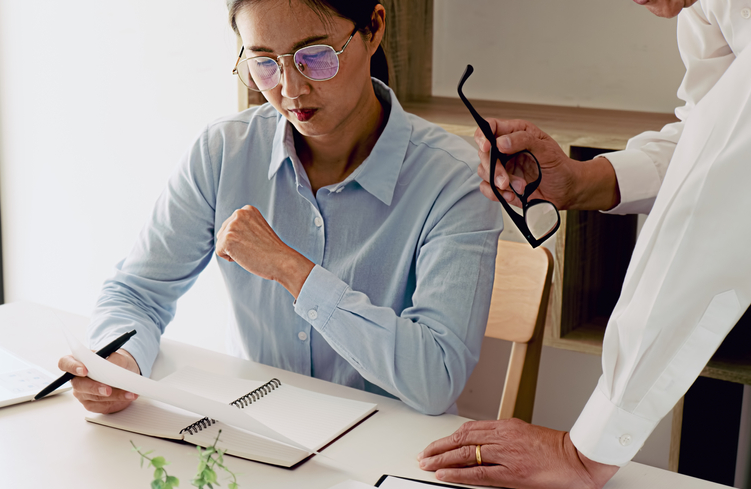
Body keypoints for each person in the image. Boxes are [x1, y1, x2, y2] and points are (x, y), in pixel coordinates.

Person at [58, 0, 502, 416]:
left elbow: (437, 378)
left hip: (388, 465)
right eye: (264, 63)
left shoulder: (455, 180)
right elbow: (138, 292)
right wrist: (118, 360)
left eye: (315, 56)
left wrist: (293, 270)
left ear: (373, 28)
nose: (291, 89)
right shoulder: (224, 152)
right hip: (258, 438)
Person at [418, 0, 751, 489]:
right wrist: (584, 181)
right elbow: (707, 136)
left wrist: (586, 453)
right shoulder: (707, 10)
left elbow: (715, 200)